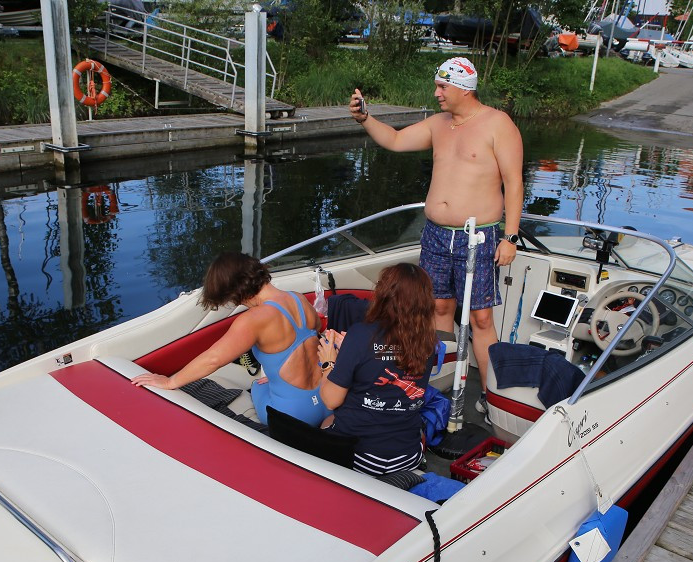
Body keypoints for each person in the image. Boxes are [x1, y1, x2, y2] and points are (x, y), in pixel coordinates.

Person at [348, 57, 524, 414]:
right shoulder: (439, 124)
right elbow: (395, 140)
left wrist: (511, 237)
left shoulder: (497, 124)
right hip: (435, 235)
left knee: (481, 319)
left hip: (479, 237)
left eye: (443, 87)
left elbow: (514, 182)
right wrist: (366, 118)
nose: (437, 93)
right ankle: (439, 387)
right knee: (438, 307)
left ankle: (493, 398)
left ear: (464, 88)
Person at [131, 252, 328, 427]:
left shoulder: (253, 319)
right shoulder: (298, 298)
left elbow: (213, 359)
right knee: (268, 381)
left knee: (256, 387)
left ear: (235, 291)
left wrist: (169, 382)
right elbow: (313, 339)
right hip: (326, 400)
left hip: (293, 417)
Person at [317, 263, 438, 476]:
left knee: (325, 421)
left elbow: (330, 400)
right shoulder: (428, 342)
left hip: (361, 458)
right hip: (408, 456)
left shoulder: (361, 334)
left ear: (383, 294)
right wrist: (352, 350)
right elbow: (388, 359)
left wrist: (329, 362)